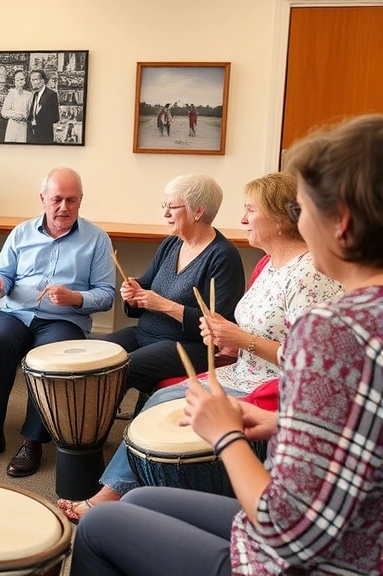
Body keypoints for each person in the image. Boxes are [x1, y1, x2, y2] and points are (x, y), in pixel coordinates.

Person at [70, 114, 383, 575]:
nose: (300, 220)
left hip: (294, 561)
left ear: (342, 221)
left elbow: (288, 529)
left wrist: (226, 434)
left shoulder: (335, 329)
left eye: (305, 206)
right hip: (343, 540)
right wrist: (281, 420)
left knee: (101, 528)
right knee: (138, 498)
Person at [59, 172, 342, 523]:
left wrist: (238, 339)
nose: (241, 219)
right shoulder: (267, 264)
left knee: (163, 398)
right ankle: (120, 485)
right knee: (106, 365)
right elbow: (242, 326)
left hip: (266, 383)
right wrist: (228, 338)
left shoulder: (309, 275)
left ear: (281, 219)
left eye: (250, 210)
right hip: (238, 366)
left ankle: (112, 494)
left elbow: (308, 361)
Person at [0, 167, 115, 477]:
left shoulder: (97, 239)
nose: (64, 207)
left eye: (71, 200)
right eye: (57, 199)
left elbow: (107, 295)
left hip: (63, 320)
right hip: (15, 314)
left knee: (47, 360)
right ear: (43, 199)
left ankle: (32, 442)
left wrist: (75, 298)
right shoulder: (21, 233)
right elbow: (0, 274)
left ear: (81, 201)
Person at [101, 174, 246, 396]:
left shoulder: (223, 256)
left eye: (172, 207)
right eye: (165, 206)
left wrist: (163, 304)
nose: (165, 214)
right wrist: (133, 292)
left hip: (189, 345)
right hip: (145, 333)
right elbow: (146, 285)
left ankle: (97, 429)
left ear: (198, 211)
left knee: (118, 369)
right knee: (95, 357)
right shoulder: (171, 244)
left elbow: (219, 325)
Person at [27, 69, 59, 144]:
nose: (34, 82)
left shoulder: (51, 94)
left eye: (36, 79)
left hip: (45, 135)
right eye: (32, 80)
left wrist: (39, 116)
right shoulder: (35, 94)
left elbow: (55, 118)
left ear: (43, 80)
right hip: (33, 134)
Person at [1, 70, 32, 143]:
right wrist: (15, 116)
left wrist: (24, 116)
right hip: (12, 124)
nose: (20, 81)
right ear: (14, 81)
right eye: (17, 79)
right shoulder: (12, 93)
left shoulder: (29, 95)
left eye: (22, 79)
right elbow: (4, 111)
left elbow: (31, 111)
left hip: (23, 124)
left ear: (25, 80)